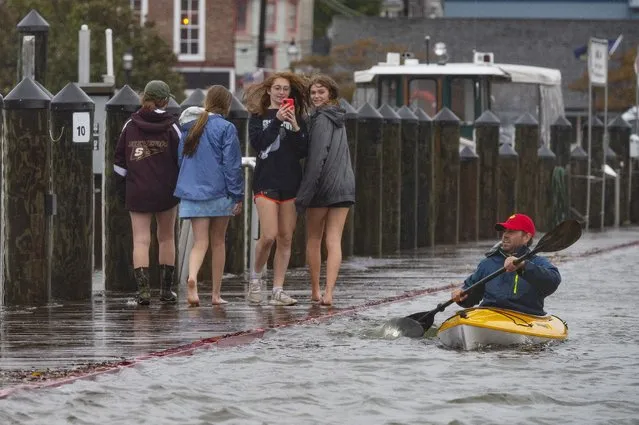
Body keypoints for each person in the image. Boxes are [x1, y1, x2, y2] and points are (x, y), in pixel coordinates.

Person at [244, 72, 310, 305]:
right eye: (277, 88)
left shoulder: (297, 117)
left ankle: (278, 290)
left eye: (285, 89)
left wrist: (293, 126)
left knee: (285, 237)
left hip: (291, 182)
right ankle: (255, 278)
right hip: (266, 181)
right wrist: (277, 120)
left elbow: (302, 150)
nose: (282, 93)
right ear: (269, 90)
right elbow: (259, 143)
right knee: (269, 235)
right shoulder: (257, 116)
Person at [175, 86, 244, 307]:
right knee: (218, 242)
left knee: (199, 242)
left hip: (193, 192)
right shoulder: (226, 127)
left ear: (207, 101)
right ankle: (215, 294)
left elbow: (180, 159)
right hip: (219, 191)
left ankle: (192, 276)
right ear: (227, 104)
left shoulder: (190, 126)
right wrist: (237, 195)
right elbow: (231, 164)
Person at [113, 80, 181, 305]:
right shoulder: (172, 126)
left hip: (137, 190)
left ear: (145, 98)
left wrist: (124, 186)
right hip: (166, 191)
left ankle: (143, 292)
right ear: (165, 100)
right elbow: (181, 159)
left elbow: (119, 163)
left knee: (141, 240)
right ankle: (166, 290)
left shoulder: (130, 125)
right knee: (167, 237)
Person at [295, 75, 355, 306]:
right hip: (345, 185)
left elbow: (317, 158)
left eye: (321, 92)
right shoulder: (339, 117)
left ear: (330, 93)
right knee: (334, 240)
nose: (316, 96)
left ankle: (316, 291)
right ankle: (330, 292)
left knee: (314, 238)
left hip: (322, 187)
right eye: (313, 93)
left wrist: (304, 194)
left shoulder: (320, 119)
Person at [452, 213, 561, 316]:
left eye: (511, 231)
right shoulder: (488, 263)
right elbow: (471, 298)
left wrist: (523, 265)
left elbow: (553, 281)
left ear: (526, 237)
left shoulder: (537, 262)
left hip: (526, 317)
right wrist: (461, 296)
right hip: (489, 316)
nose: (505, 235)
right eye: (505, 231)